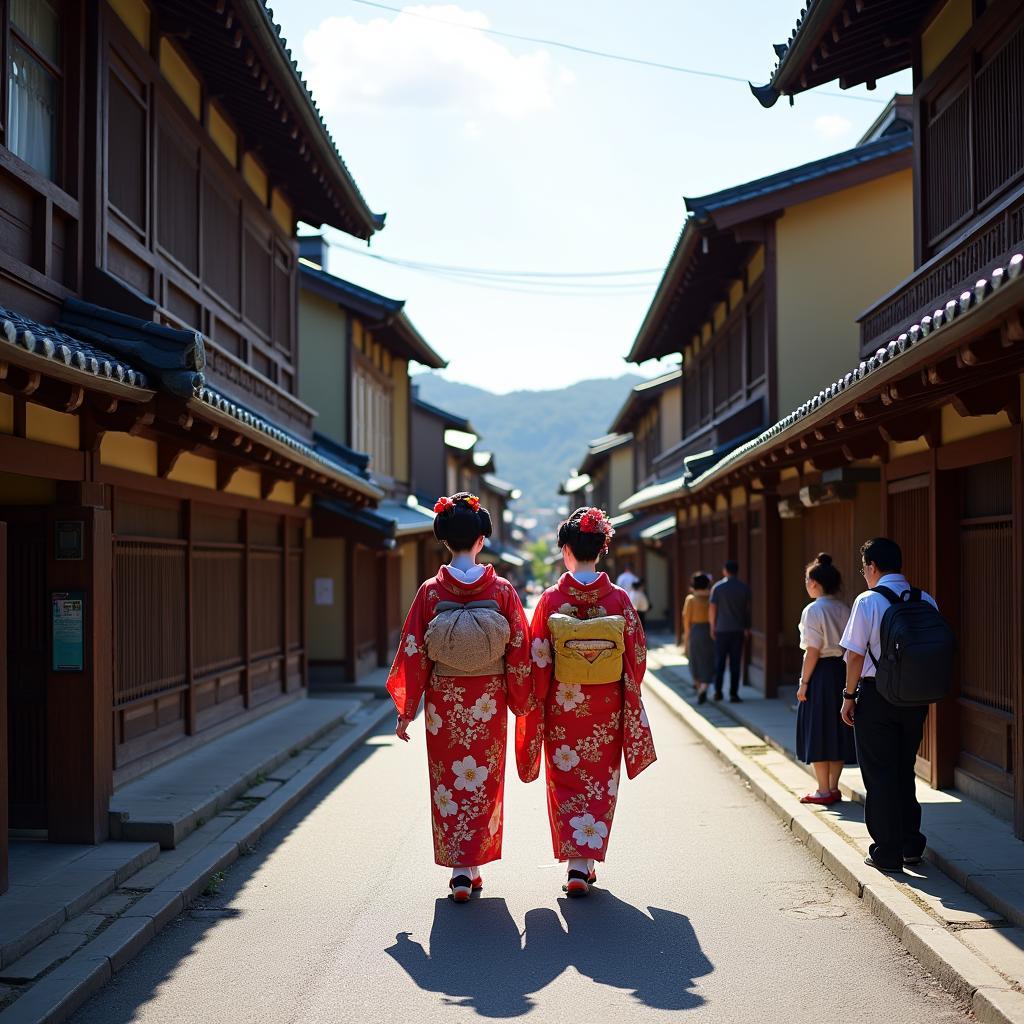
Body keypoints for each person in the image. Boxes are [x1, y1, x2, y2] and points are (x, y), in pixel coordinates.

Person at [387, 492, 535, 902]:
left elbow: (413, 650)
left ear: (444, 540)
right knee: (484, 780)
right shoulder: (502, 590)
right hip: (488, 699)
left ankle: (459, 871)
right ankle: (473, 865)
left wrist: (406, 710)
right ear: (482, 540)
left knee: (449, 782)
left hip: (444, 702)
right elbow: (520, 648)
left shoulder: (432, 592)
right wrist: (522, 701)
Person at [517, 507, 656, 898]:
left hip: (563, 706)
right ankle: (587, 861)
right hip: (605, 707)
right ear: (601, 549)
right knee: (599, 781)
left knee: (564, 779)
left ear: (565, 550)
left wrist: (540, 698)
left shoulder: (550, 599)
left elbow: (538, 656)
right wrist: (622, 685)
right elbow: (638, 655)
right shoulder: (619, 599)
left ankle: (575, 865)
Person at [840, 537, 937, 873]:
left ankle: (887, 852)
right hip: (915, 698)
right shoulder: (925, 599)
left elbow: (854, 654)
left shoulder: (867, 600)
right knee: (903, 769)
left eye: (864, 567)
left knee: (879, 773)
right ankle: (912, 844)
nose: (864, 573)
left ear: (872, 566)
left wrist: (848, 697)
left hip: (876, 696)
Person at [795, 553, 856, 805]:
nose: (806, 584)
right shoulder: (844, 607)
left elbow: (813, 649)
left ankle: (822, 790)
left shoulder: (813, 610)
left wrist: (804, 682)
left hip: (819, 673)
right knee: (838, 727)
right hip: (842, 671)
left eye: (807, 580)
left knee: (818, 728)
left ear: (815, 583)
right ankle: (833, 787)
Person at [709, 560, 751, 703]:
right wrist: (747, 627)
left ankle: (718, 692)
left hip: (721, 629)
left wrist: (712, 626)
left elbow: (713, 608)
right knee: (735, 662)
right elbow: (747, 610)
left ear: (725, 570)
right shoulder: (744, 588)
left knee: (719, 661)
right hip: (738, 629)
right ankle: (733, 693)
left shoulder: (718, 588)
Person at [682, 573, 714, 705]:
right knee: (708, 660)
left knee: (694, 660)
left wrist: (686, 639)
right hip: (709, 631)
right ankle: (704, 687)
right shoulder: (711, 598)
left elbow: (686, 620)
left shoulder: (691, 599)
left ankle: (699, 686)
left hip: (695, 631)